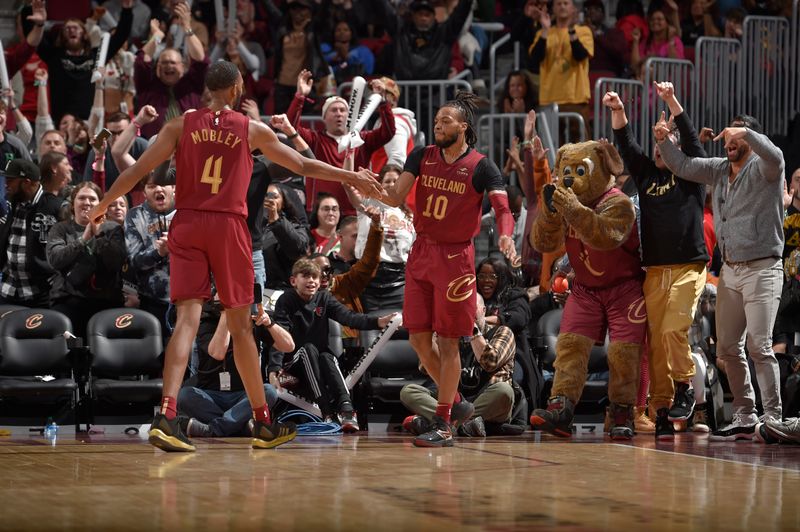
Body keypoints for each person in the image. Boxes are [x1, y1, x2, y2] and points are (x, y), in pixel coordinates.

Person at [87, 60, 383, 452]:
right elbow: (301, 164)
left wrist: (103, 202)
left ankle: (166, 415)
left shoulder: (181, 125)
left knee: (186, 323)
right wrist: (351, 176)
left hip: (188, 223)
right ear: (238, 87)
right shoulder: (250, 129)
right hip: (228, 227)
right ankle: (262, 422)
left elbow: (139, 169)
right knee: (242, 327)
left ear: (208, 88)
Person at [381, 92, 517, 447]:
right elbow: (395, 198)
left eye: (445, 121)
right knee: (417, 339)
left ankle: (442, 423)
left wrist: (506, 238)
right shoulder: (421, 156)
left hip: (456, 260)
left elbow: (503, 209)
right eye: (436, 121)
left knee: (449, 341)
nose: (438, 125)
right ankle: (456, 405)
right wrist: (363, 184)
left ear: (463, 127)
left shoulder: (482, 166)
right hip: (422, 251)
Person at [654, 113, 785, 441]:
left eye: (736, 136)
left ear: (750, 140)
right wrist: (661, 140)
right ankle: (744, 414)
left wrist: (747, 133)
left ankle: (773, 417)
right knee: (727, 348)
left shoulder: (765, 168)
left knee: (760, 345)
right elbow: (683, 166)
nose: (729, 142)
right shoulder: (719, 169)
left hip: (763, 268)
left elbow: (776, 155)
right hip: (730, 270)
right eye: (727, 137)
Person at [605, 82, 709, 440]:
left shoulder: (692, 175)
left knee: (673, 331)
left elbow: (692, 140)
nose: (659, 148)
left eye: (666, 143)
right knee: (656, 343)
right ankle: (662, 409)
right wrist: (618, 110)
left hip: (688, 267)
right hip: (655, 271)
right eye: (657, 143)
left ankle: (685, 389)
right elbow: (626, 145)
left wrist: (670, 101)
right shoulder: (647, 175)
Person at [269, 258, 395, 431]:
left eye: (315, 277)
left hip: (318, 365)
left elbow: (349, 317)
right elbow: (279, 334)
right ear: (293, 281)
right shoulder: (286, 300)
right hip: (293, 369)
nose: (311, 281)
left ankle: (347, 411)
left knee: (328, 355)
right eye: (306, 276)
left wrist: (378, 322)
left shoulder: (324, 297)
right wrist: (273, 369)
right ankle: (326, 412)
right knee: (309, 349)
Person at [401, 293, 517, 438]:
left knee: (504, 391)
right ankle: (458, 425)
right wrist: (436, 337)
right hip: (457, 402)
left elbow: (490, 363)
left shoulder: (502, 331)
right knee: (409, 391)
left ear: (483, 310)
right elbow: (425, 367)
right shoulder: (450, 337)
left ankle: (441, 424)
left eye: (471, 308)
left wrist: (472, 331)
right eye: (462, 309)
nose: (466, 313)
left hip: (487, 400)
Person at [178, 294, 292, 438]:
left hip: (244, 395)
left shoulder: (253, 321)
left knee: (269, 391)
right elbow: (218, 352)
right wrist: (227, 314)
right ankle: (241, 426)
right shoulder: (206, 323)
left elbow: (288, 346)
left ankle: (213, 430)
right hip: (212, 395)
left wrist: (270, 324)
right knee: (185, 395)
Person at [46, 182, 126, 337]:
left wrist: (99, 236)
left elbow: (115, 263)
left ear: (101, 204)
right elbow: (55, 260)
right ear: (73, 203)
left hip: (106, 300)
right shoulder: (61, 229)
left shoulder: (112, 229)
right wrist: (83, 239)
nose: (87, 203)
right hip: (68, 299)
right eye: (82, 198)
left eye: (92, 199)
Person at [528, 0, 593, 142]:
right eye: (558, 3)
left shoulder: (583, 31)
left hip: (575, 99)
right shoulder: (542, 33)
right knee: (551, 147)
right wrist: (545, 29)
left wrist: (571, 30)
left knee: (580, 147)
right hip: (549, 99)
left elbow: (580, 55)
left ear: (573, 8)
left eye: (566, 3)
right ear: (553, 9)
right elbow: (534, 60)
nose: (562, 6)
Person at [0, 159, 61, 308]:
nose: (5, 184)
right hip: (8, 290)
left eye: (10, 180)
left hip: (41, 293)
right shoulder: (10, 202)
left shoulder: (55, 207)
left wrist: (55, 280)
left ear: (27, 183)